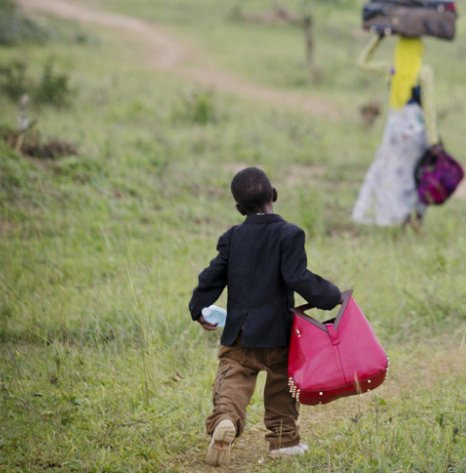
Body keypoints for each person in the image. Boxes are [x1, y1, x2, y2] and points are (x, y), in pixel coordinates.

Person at [188, 167, 342, 466]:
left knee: (233, 375)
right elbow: (297, 276)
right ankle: (284, 443)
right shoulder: (290, 233)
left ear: (238, 208)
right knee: (282, 385)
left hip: (241, 333)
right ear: (274, 195)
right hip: (279, 334)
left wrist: (198, 307)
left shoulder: (232, 236)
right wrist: (331, 296)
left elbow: (212, 275)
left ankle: (226, 420)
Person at [352, 32, 439, 230]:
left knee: (390, 175)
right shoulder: (423, 72)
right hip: (416, 135)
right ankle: (413, 220)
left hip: (394, 134)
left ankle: (395, 218)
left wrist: (378, 38)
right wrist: (434, 140)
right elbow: (429, 108)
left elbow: (363, 62)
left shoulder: (392, 71)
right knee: (416, 177)